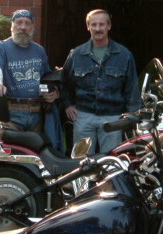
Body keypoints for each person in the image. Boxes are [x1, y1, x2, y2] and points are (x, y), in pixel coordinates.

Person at [62, 9, 141, 155]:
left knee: (112, 162)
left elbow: (132, 87)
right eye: (94, 25)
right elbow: (65, 82)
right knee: (81, 162)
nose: (98, 29)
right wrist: (68, 104)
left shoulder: (124, 55)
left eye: (101, 24)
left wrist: (131, 116)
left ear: (109, 26)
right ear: (88, 27)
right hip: (83, 116)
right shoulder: (77, 54)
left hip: (112, 117)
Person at [0, 9, 64, 151]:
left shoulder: (39, 50)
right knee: (12, 154)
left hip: (37, 115)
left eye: (27, 23)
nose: (23, 27)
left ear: (32, 27)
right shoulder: (0, 47)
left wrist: (53, 92)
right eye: (19, 22)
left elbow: (47, 78)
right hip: (12, 115)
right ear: (12, 25)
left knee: (35, 156)